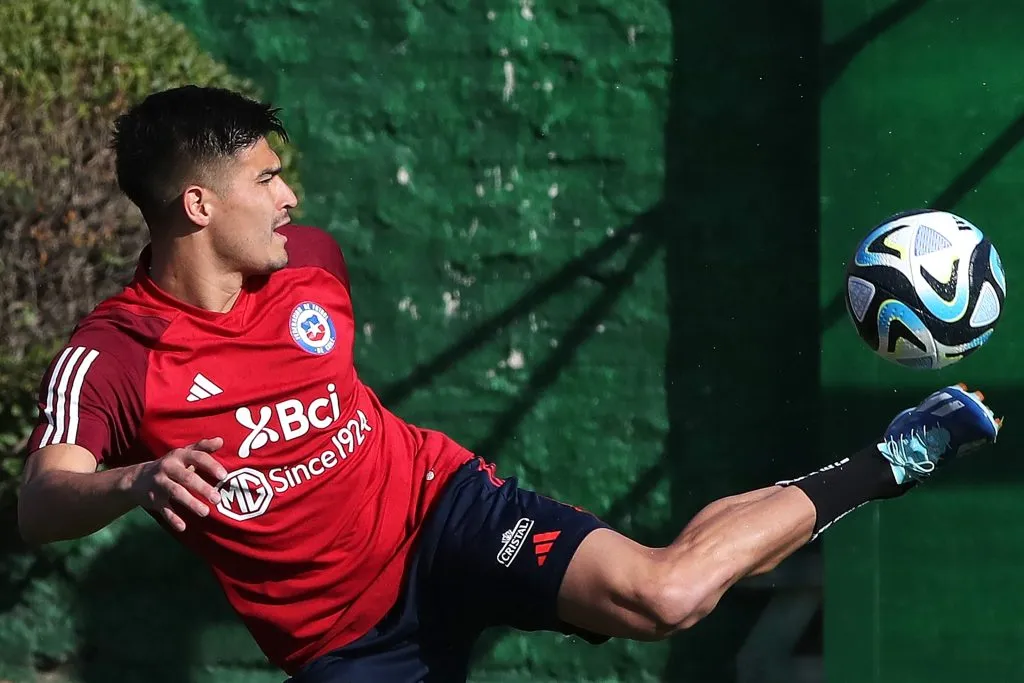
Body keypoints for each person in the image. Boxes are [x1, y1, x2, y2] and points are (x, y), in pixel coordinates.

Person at [16, 85, 1003, 683]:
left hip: (445, 512)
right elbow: (39, 499)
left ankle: (896, 453)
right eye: (266, 179)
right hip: (343, 644)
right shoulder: (114, 356)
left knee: (665, 592)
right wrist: (133, 481)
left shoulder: (311, 262)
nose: (292, 197)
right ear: (196, 202)